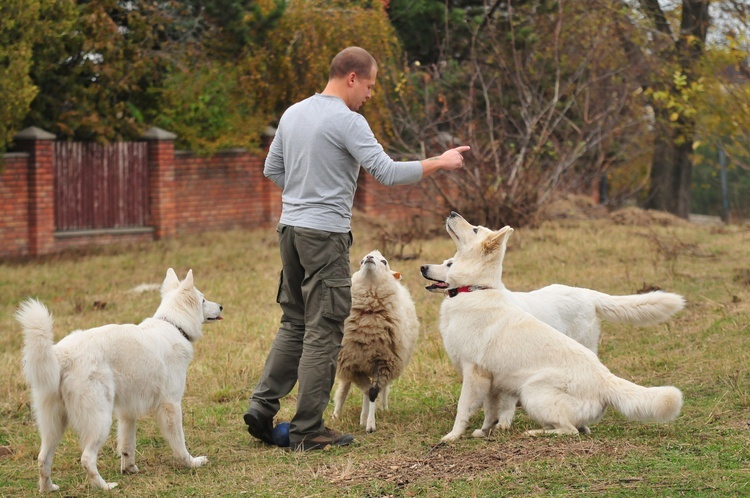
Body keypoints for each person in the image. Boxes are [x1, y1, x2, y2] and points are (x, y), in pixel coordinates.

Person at [244, 46, 468, 451]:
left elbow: (271, 169)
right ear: (352, 77)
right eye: (369, 85)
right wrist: (440, 160)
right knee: (325, 329)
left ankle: (261, 407)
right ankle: (308, 428)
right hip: (324, 235)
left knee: (294, 321)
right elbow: (386, 172)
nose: (369, 94)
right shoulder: (349, 121)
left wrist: (304, 192)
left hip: (289, 230)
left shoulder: (293, 113)